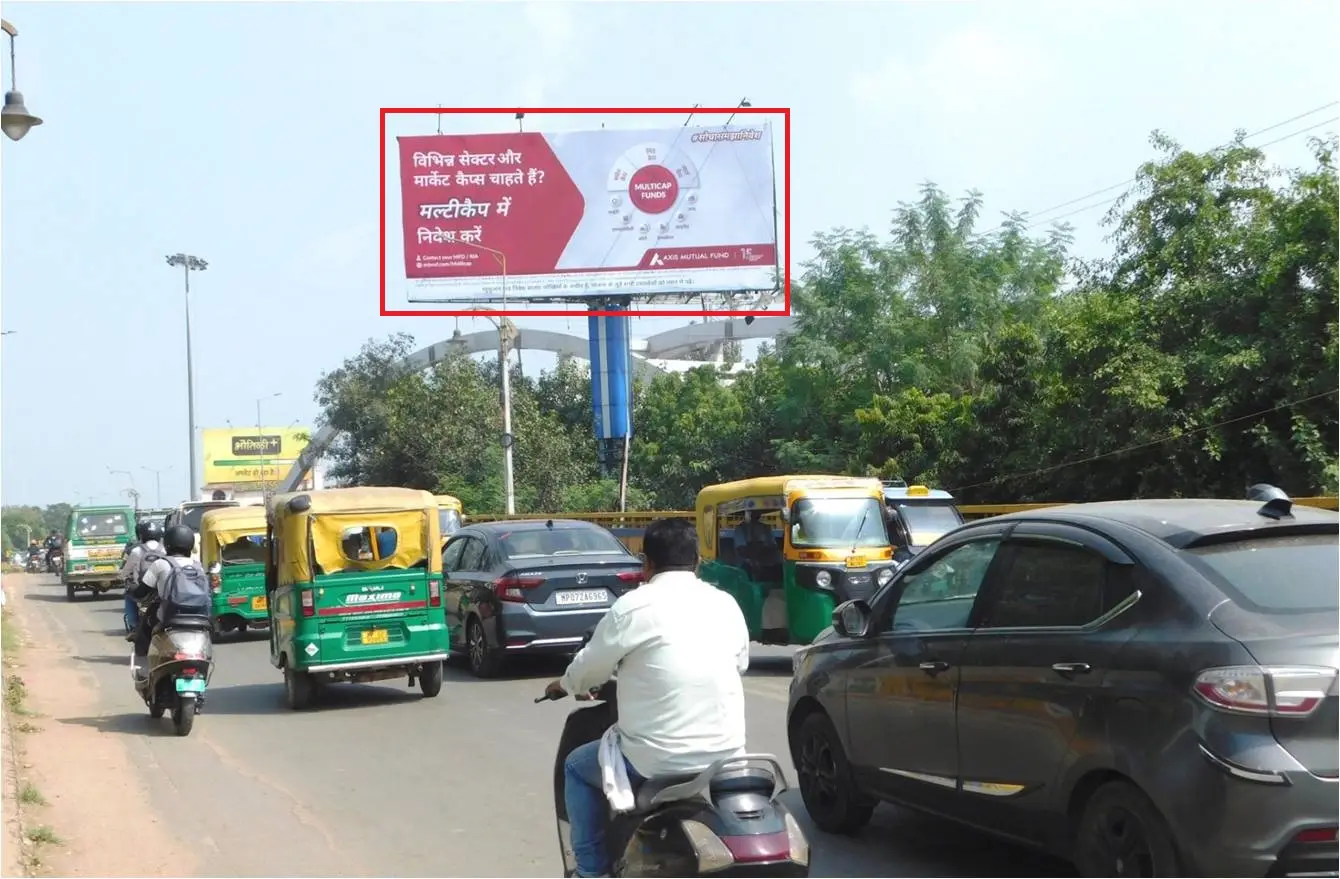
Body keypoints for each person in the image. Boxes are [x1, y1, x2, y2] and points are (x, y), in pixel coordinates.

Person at [543, 517, 750, 878]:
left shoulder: (632, 607)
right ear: (697, 561)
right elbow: (740, 662)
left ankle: (591, 872)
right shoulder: (725, 604)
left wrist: (563, 685)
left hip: (655, 761)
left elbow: (589, 669)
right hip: (727, 755)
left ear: (647, 563)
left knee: (576, 766)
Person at [132, 525, 211, 677]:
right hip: (199, 618)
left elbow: (142, 591)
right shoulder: (197, 565)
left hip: (170, 616)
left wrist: (133, 590)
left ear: (167, 544)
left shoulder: (160, 564)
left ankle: (143, 670)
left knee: (144, 629)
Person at [121, 522, 164, 641]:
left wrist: (123, 577)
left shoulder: (136, 551)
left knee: (128, 595)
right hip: (161, 591)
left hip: (142, 592)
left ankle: (134, 626)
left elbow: (125, 572)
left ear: (141, 535)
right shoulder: (165, 550)